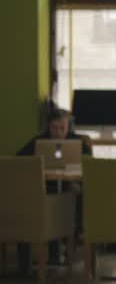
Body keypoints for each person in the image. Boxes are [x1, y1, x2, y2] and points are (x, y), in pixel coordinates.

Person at [16, 108, 91, 274]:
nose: (57, 133)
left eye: (61, 129)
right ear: (48, 127)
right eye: (53, 128)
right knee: (44, 196)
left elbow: (89, 163)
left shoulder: (78, 142)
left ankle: (68, 240)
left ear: (68, 128)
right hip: (43, 190)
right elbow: (19, 159)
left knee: (75, 195)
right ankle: (54, 250)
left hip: (71, 188)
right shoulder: (39, 141)